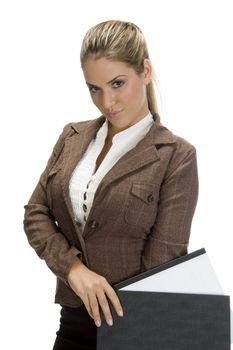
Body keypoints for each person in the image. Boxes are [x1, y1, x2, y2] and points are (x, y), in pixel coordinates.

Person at [23, 19, 199, 350]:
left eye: (118, 83)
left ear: (145, 71)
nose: (107, 102)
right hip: (73, 323)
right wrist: (73, 269)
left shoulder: (176, 157)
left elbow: (164, 263)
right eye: (95, 89)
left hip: (136, 330)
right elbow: (36, 213)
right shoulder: (72, 137)